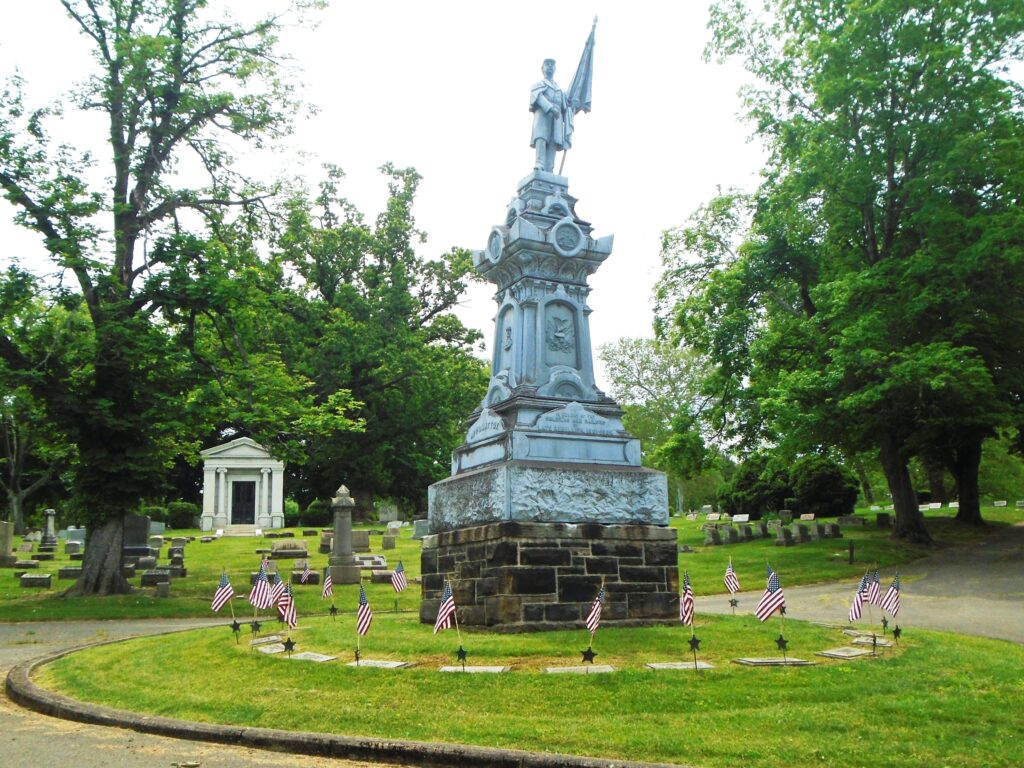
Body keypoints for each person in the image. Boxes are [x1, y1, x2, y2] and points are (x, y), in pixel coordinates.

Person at [529, 59, 573, 173]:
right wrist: (550, 108)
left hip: (557, 119)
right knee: (541, 139)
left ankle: (549, 168)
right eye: (547, 64)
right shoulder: (538, 85)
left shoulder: (559, 90)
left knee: (553, 143)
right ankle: (539, 164)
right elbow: (538, 98)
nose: (550, 66)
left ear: (555, 69)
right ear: (542, 68)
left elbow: (565, 106)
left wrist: (571, 108)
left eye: (552, 65)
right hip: (544, 116)